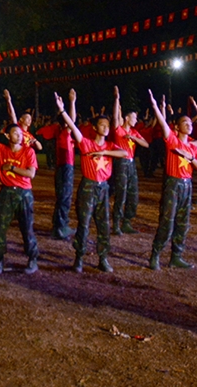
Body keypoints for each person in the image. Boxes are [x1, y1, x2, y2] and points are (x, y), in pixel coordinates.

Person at [56, 93, 127, 273]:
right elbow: (73, 127)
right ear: (95, 128)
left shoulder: (110, 146)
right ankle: (79, 257)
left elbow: (124, 153)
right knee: (84, 223)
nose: (106, 128)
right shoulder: (86, 144)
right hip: (88, 186)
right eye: (102, 125)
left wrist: (104, 153)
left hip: (103, 188)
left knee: (104, 225)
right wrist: (63, 110)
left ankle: (103, 258)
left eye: (107, 125)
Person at [147, 90, 197, 271]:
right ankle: (155, 254)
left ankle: (176, 256)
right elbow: (163, 125)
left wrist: (189, 157)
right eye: (185, 123)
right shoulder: (172, 140)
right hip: (173, 184)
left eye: (190, 123)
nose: (189, 125)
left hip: (187, 186)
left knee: (183, 223)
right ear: (177, 127)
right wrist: (156, 107)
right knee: (167, 222)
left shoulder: (192, 148)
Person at [0, 95, 40, 274]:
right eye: (15, 133)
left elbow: (31, 173)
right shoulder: (2, 149)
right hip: (6, 193)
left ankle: (32, 259)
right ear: (8, 135)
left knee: (27, 228)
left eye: (21, 134)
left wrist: (12, 168)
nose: (19, 136)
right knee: (1, 228)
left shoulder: (28, 152)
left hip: (24, 193)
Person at [110, 86, 149, 235]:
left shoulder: (134, 132)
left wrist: (133, 137)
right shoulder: (119, 130)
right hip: (121, 163)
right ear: (127, 118)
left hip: (131, 164)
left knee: (133, 194)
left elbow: (146, 144)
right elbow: (115, 117)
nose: (136, 120)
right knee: (121, 194)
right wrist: (117, 99)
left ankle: (127, 222)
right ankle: (116, 224)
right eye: (134, 117)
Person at [51, 89, 77, 240]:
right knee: (65, 197)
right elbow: (71, 120)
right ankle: (61, 227)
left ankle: (58, 226)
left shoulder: (59, 131)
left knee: (62, 197)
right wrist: (72, 102)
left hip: (61, 167)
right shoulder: (65, 131)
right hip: (66, 167)